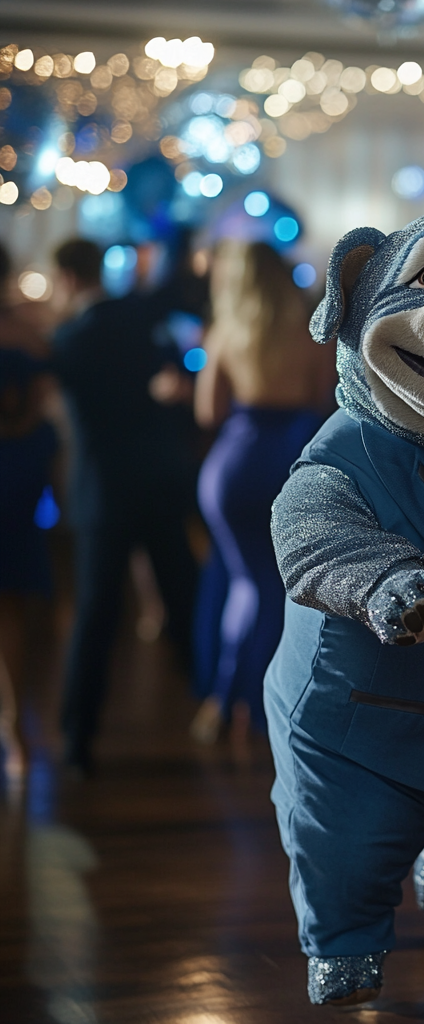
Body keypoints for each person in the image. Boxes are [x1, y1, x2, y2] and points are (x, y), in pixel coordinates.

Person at [50, 239, 198, 774]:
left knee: (95, 615)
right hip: (157, 477)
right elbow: (176, 370)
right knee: (183, 597)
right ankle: (210, 710)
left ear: (65, 277)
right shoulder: (137, 316)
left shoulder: (66, 338)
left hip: (103, 488)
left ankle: (77, 736)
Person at [189, 242, 335, 745]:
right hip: (288, 461)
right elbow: (324, 400)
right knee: (282, 587)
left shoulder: (226, 332)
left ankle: (224, 700)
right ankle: (269, 701)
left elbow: (208, 412)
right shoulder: (311, 333)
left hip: (234, 464)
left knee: (243, 582)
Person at [0, 243, 57, 786]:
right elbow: (43, 399)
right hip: (17, 466)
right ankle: (15, 730)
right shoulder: (27, 330)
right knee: (11, 605)